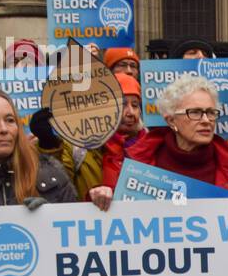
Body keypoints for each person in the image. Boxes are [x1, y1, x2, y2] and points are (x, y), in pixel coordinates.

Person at [95, 74, 228, 209]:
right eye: (195, 112)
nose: (206, 120)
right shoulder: (136, 165)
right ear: (171, 120)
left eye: (211, 112)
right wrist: (100, 197)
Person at [35, 71, 146, 199]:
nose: (131, 112)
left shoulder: (152, 145)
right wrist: (48, 145)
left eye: (135, 105)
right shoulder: (79, 147)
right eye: (122, 104)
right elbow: (58, 187)